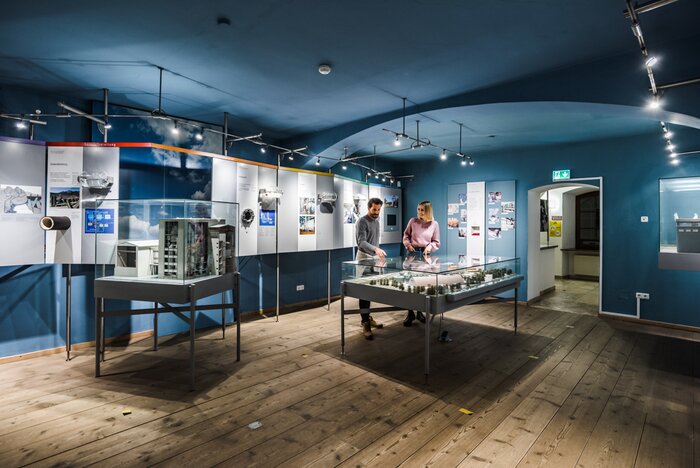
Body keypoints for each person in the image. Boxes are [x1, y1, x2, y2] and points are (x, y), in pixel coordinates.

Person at [402, 200, 441, 327]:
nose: (419, 212)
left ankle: (419, 312)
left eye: (422, 210)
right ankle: (410, 313)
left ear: (428, 211)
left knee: (422, 286)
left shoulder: (434, 224)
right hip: (412, 255)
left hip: (426, 256)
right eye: (418, 209)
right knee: (410, 285)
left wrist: (430, 247)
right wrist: (407, 245)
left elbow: (436, 242)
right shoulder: (412, 221)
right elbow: (406, 235)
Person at [355, 197, 387, 340]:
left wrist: (377, 253)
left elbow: (376, 241)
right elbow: (361, 242)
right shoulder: (362, 221)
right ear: (368, 208)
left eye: (379, 210)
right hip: (363, 259)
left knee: (372, 291)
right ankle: (365, 322)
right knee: (364, 292)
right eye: (374, 209)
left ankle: (367, 317)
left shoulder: (377, 222)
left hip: (374, 259)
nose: (376, 212)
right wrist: (376, 250)